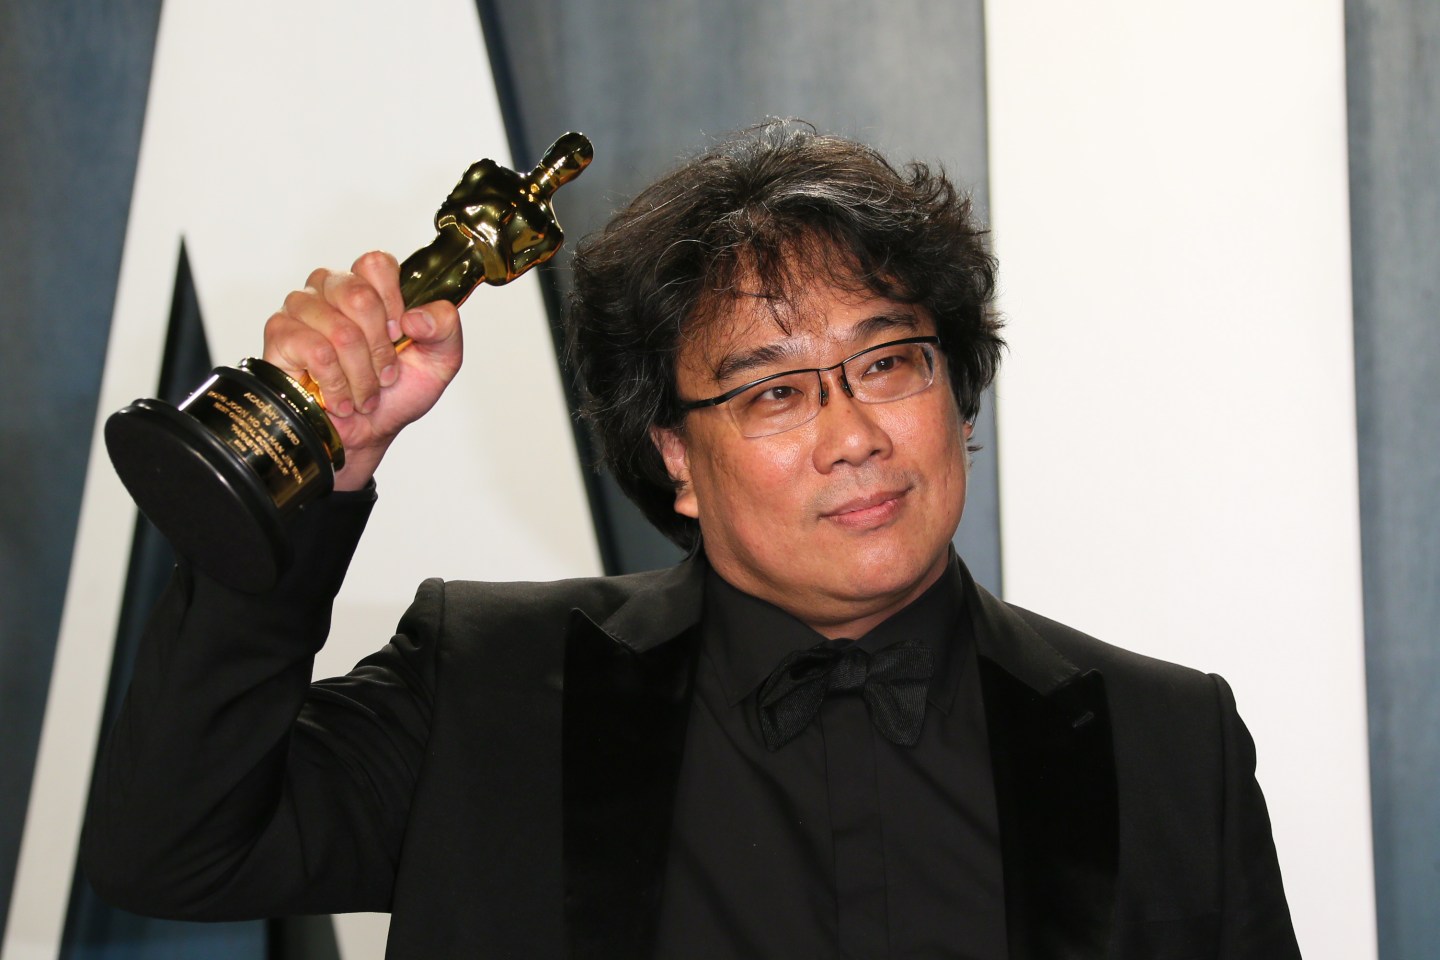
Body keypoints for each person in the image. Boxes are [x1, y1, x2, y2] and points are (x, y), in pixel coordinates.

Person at [82, 122, 1301, 958]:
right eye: (774, 392)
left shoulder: (1164, 742)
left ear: (959, 395)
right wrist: (316, 471)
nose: (854, 436)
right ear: (673, 454)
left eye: (889, 363)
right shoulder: (492, 686)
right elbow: (176, 851)